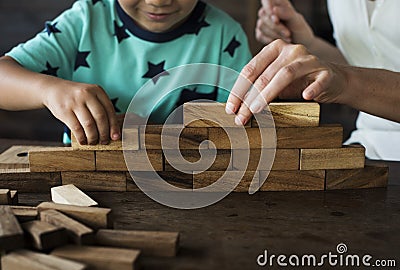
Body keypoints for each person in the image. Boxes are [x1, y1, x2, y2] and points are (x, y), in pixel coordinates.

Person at [0, 0, 251, 145]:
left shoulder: (225, 35)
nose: (158, 1)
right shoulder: (87, 18)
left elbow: (243, 129)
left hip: (189, 184)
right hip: (87, 180)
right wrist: (48, 90)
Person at [226, 0, 400, 161]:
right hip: (367, 145)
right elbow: (365, 65)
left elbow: (351, 80)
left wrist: (346, 80)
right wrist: (307, 44)